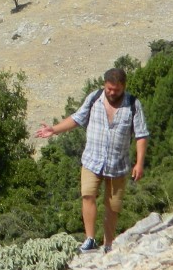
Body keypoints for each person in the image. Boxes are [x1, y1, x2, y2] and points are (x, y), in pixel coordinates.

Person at [36, 67, 148, 253]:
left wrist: (139, 163)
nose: (112, 93)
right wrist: (54, 130)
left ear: (124, 87)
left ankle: (108, 244)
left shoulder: (133, 105)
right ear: (104, 85)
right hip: (92, 160)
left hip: (118, 164)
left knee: (113, 206)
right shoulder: (94, 98)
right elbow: (77, 118)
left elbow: (141, 135)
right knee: (88, 195)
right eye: (109, 89)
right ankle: (89, 239)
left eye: (116, 90)